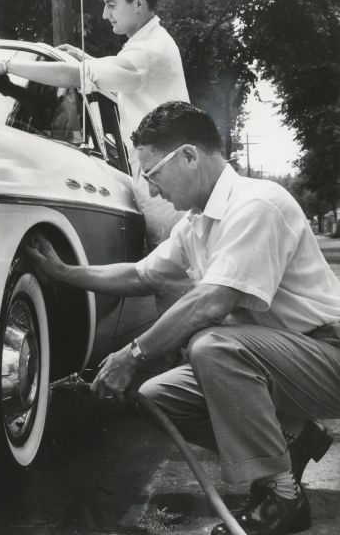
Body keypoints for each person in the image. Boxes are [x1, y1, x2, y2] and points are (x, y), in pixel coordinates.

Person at [26, 100, 340, 535]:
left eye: (153, 174)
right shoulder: (195, 225)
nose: (152, 191)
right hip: (278, 363)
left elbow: (212, 302)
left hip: (326, 354)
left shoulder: (256, 205)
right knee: (157, 398)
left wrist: (131, 355)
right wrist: (64, 272)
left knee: (213, 344)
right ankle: (293, 442)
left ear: (190, 156)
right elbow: (139, 275)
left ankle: (283, 497)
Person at [0, 0, 189, 249]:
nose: (105, 14)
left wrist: (6, 65)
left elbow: (75, 76)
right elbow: (123, 78)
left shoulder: (149, 51)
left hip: (168, 183)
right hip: (165, 176)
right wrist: (89, 61)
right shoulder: (151, 44)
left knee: (174, 279)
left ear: (138, 3)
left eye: (111, 4)